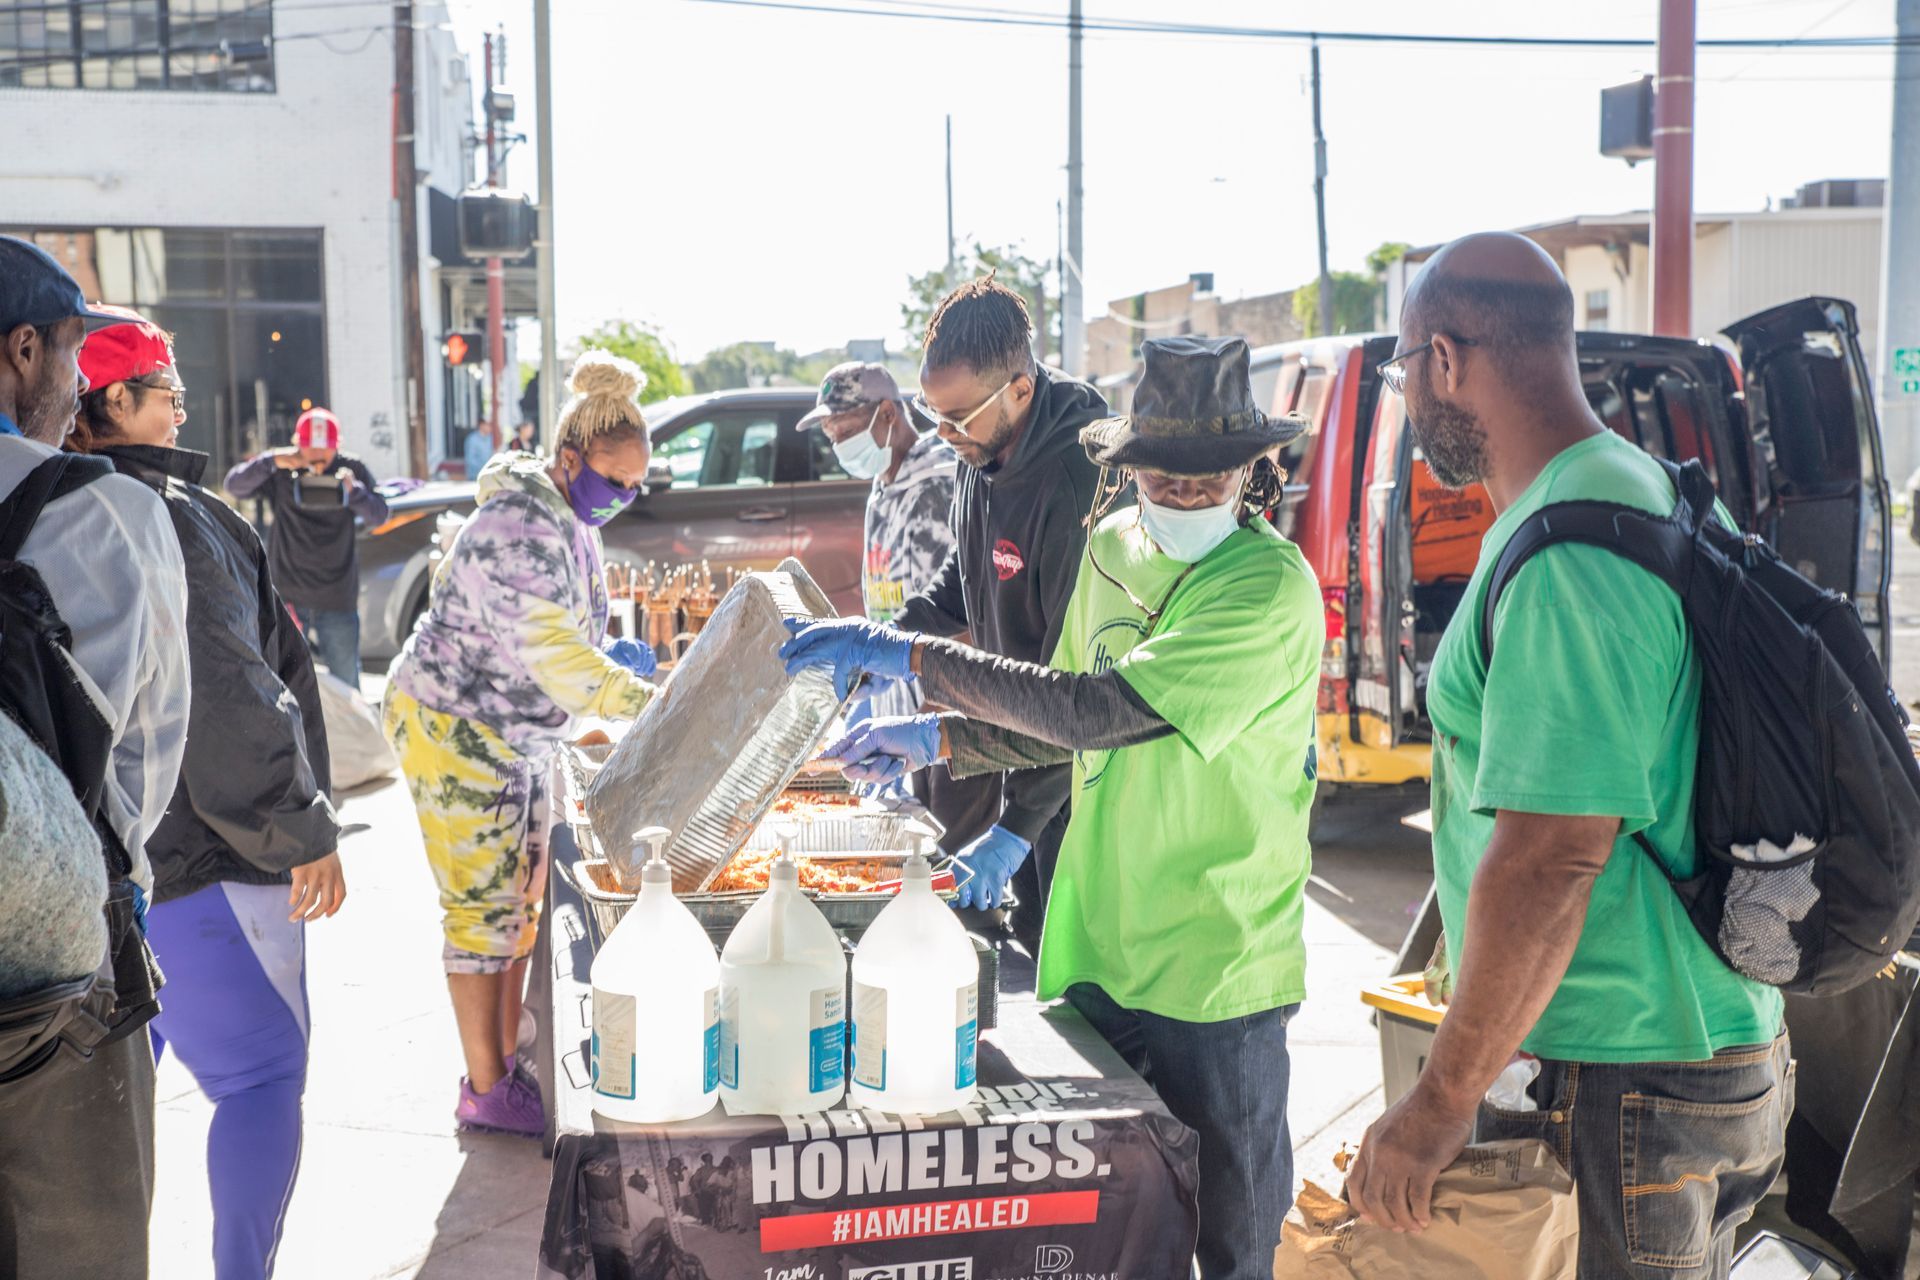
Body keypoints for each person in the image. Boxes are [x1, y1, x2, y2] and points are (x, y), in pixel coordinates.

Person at [783, 336, 1321, 1278]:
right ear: (1131, 468)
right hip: (1104, 937)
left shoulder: (1267, 590)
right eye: (1166, 478)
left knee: (1234, 1242)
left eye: (1210, 480)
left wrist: (909, 656)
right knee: (1111, 1236)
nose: (1187, 498)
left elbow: (1103, 710)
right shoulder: (1113, 543)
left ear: (1250, 470)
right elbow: (1065, 708)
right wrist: (941, 737)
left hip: (1216, 960)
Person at [1346, 233, 1790, 1278]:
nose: (1411, 401)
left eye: (1408, 371)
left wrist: (1441, 1100)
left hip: (1626, 1079)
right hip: (1701, 1053)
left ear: (1447, 360)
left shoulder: (1568, 551)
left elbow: (1553, 857)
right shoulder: (1654, 490)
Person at [74, 308, 346, 1280]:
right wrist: (301, 827)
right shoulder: (174, 514)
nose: (182, 414)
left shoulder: (38, 504)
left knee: (102, 1113)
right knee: (260, 1076)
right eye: (170, 395)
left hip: (77, 872)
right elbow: (234, 689)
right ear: (116, 399)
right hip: (201, 864)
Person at [384, 350, 659, 1136]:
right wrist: (643, 698)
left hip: (518, 727)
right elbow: (563, 661)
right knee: (482, 909)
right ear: (569, 458)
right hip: (453, 724)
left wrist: (618, 665)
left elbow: (577, 639)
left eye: (637, 488)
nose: (623, 499)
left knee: (521, 902)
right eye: (614, 482)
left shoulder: (573, 518)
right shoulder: (515, 527)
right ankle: (485, 1084)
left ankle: (506, 1056)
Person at [0, 234, 190, 1279]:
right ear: (22, 350)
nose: (74, 388)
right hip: (61, 983)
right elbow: (144, 770)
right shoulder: (113, 514)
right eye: (70, 357)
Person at [890, 275, 1110, 951]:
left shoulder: (1079, 474)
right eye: (933, 416)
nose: (944, 434)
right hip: (1020, 743)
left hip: (1082, 777)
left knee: (1079, 973)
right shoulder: (979, 445)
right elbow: (972, 578)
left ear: (1021, 387)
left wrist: (1016, 828)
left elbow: (1069, 685)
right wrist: (887, 643)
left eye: (958, 418)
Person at [797, 360, 998, 850]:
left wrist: (933, 720)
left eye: (843, 430)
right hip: (901, 719)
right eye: (829, 434)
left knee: (950, 862)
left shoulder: (935, 484)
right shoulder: (886, 481)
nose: (837, 444)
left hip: (945, 722)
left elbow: (967, 613)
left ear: (887, 414)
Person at [224, 406, 389, 689]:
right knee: (281, 684)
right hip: (287, 598)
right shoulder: (282, 468)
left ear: (337, 448)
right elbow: (235, 486)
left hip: (336, 597)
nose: (317, 463)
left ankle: (341, 736)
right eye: (309, 453)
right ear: (298, 446)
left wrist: (354, 492)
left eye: (324, 454)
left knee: (346, 686)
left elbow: (380, 515)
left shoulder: (351, 469)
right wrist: (272, 460)